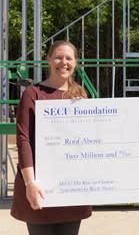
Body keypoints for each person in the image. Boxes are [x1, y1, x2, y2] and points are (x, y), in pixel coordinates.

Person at [11, 40, 92, 235]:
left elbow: (90, 141)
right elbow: (24, 140)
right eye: (58, 57)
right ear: (48, 60)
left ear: (75, 63)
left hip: (72, 189)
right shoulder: (33, 94)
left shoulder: (80, 95)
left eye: (69, 58)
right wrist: (30, 183)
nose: (63, 62)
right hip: (40, 189)